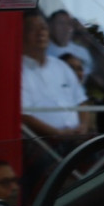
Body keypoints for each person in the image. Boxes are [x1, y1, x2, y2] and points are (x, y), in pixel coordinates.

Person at [20, 12, 89, 146]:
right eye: (33, 29)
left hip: (77, 140)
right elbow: (24, 116)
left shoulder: (61, 66)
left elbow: (81, 102)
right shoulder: (18, 71)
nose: (40, 33)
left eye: (44, 28)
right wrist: (57, 134)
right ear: (22, 35)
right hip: (44, 145)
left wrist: (83, 128)